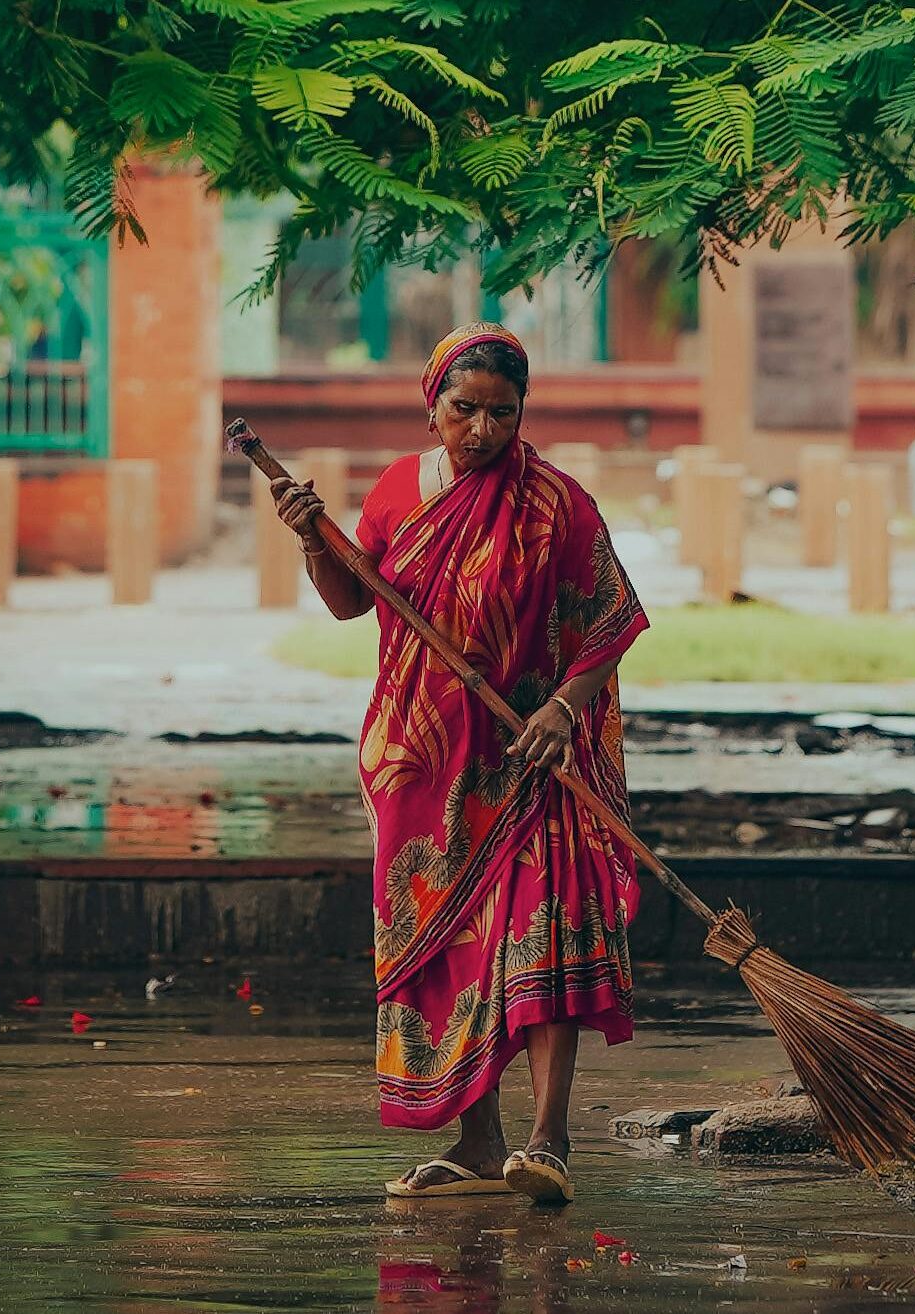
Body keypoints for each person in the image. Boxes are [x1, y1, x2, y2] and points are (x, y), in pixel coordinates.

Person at [270, 323, 649, 1205]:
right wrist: (312, 539)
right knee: (447, 953)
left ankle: (549, 1142)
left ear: (523, 415)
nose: (480, 430)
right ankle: (481, 1144)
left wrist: (563, 709)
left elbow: (613, 619)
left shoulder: (558, 503)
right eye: (463, 409)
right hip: (421, 766)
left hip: (531, 757)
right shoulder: (401, 489)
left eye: (501, 414)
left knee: (543, 929)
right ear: (432, 402)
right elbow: (348, 605)